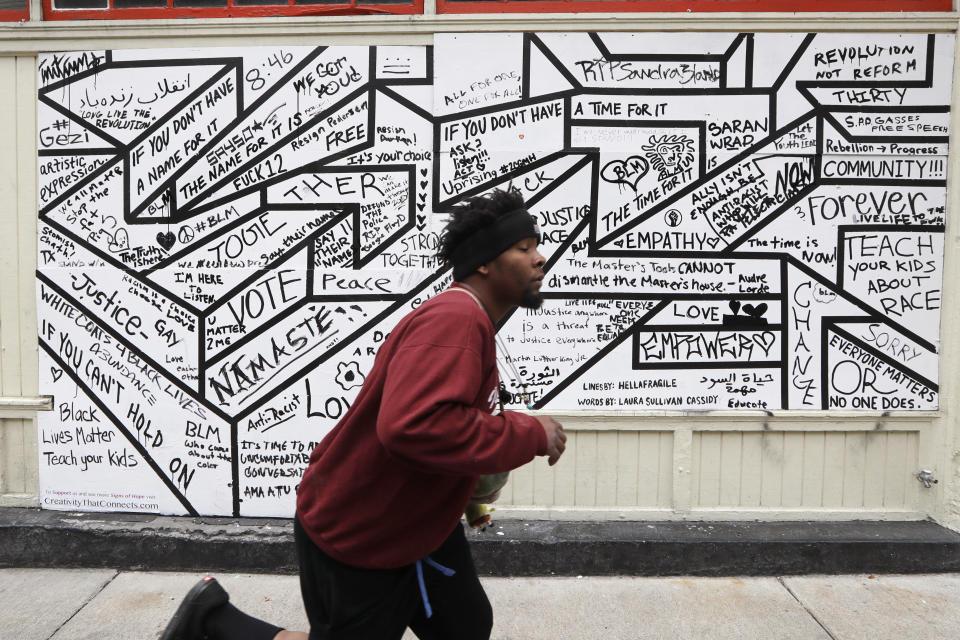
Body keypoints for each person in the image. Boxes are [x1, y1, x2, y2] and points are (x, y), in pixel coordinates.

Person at [161, 187, 567, 640]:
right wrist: (529, 433)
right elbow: (415, 425)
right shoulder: (455, 319)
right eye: (524, 248)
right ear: (485, 263)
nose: (540, 259)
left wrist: (472, 496)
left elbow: (451, 423)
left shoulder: (470, 323)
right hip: (361, 530)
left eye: (537, 247)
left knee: (466, 626)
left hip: (417, 528)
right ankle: (213, 622)